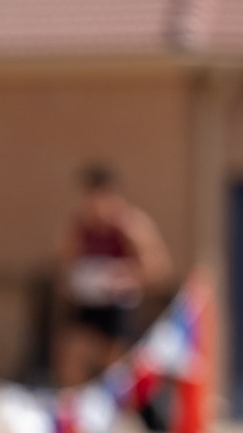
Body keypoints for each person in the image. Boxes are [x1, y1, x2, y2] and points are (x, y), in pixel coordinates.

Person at [52, 164, 171, 388]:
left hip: (117, 305)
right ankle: (73, 406)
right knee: (71, 354)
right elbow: (61, 266)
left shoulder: (130, 226)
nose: (95, 207)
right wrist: (73, 280)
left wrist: (126, 277)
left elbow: (158, 268)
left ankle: (112, 408)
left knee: (114, 363)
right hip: (86, 302)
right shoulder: (79, 227)